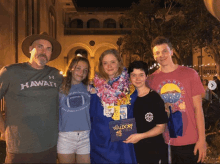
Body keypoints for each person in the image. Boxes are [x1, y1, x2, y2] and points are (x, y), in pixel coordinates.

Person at [0, 32, 63, 163]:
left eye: (48, 48)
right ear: (30, 49)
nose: (44, 51)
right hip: (20, 148)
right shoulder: (10, 72)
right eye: (40, 46)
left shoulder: (56, 74)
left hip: (49, 146)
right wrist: (2, 128)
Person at [147, 36, 207, 164]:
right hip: (165, 142)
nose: (161, 55)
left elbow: (198, 108)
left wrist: (202, 139)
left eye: (164, 51)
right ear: (154, 56)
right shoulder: (151, 80)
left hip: (190, 140)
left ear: (172, 52)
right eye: (157, 53)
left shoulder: (190, 74)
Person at [89, 49, 137, 163]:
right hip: (100, 142)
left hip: (123, 142)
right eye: (105, 63)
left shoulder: (131, 87)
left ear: (119, 63)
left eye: (113, 62)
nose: (109, 66)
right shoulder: (94, 88)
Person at [124, 61, 168, 164]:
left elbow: (161, 127)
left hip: (152, 150)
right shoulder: (126, 98)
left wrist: (140, 136)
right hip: (131, 151)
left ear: (146, 76)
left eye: (141, 75)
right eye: (134, 75)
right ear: (129, 77)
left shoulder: (154, 98)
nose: (137, 79)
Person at [57, 56, 91, 163]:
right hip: (66, 137)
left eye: (85, 70)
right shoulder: (60, 87)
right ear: (71, 68)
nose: (81, 72)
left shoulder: (89, 88)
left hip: (85, 137)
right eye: (78, 68)